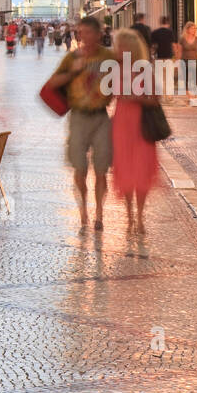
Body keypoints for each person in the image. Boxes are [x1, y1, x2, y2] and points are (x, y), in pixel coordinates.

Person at [44, 16, 115, 232]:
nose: (82, 36)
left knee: (102, 168)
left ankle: (99, 213)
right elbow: (51, 84)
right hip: (78, 117)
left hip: (101, 116)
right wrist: (73, 71)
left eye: (87, 32)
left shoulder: (109, 57)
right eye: (80, 32)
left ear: (98, 34)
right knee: (80, 168)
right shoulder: (72, 57)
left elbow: (122, 83)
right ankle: (83, 208)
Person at [110, 29, 159, 246]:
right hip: (121, 124)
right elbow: (107, 94)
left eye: (120, 46)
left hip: (141, 125)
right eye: (116, 46)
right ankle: (129, 214)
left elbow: (155, 99)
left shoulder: (144, 69)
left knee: (140, 170)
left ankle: (140, 215)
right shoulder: (114, 69)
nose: (117, 50)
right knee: (125, 171)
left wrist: (135, 97)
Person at [179, 21, 197, 102]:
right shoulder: (182, 39)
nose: (194, 30)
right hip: (184, 61)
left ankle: (193, 93)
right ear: (187, 29)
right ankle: (188, 95)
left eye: (194, 28)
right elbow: (180, 51)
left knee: (193, 78)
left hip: (194, 60)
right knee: (186, 78)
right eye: (192, 28)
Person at [150, 14, 179, 96]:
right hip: (168, 57)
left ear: (160, 23)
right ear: (168, 23)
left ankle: (161, 95)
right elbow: (174, 45)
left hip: (158, 57)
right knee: (169, 77)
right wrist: (176, 57)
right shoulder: (170, 32)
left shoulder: (155, 33)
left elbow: (152, 47)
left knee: (159, 78)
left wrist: (151, 56)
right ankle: (169, 96)